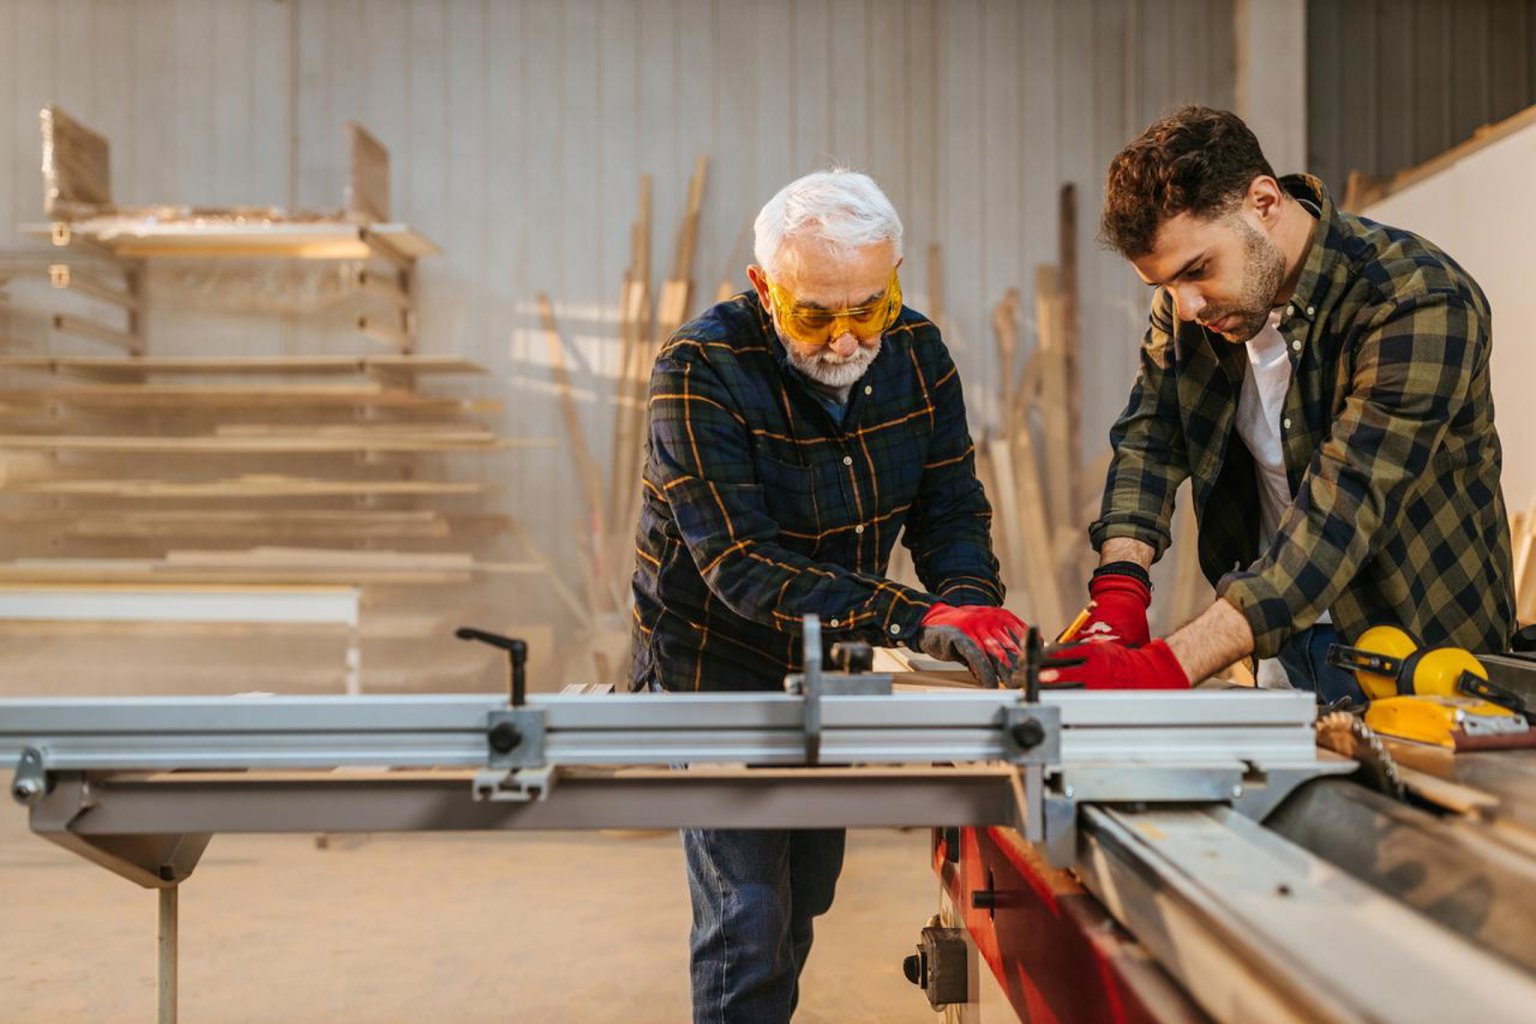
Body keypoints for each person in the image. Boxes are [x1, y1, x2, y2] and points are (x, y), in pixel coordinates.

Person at [630, 168, 1024, 1023]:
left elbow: (950, 510)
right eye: (814, 314)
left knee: (805, 893)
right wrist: (917, 615)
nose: (845, 341)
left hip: (827, 671)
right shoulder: (697, 372)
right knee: (749, 916)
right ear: (764, 287)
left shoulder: (917, 356)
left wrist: (969, 604)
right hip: (713, 670)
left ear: (894, 282)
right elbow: (743, 568)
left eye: (867, 309)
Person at [1041, 106, 1513, 699]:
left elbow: (1345, 507)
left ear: (1263, 202)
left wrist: (1169, 663)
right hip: (1276, 645)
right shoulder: (1196, 309)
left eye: (1197, 270)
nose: (1185, 307)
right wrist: (1119, 588)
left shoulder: (1416, 300)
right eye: (1165, 286)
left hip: (1418, 656)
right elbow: (1151, 439)